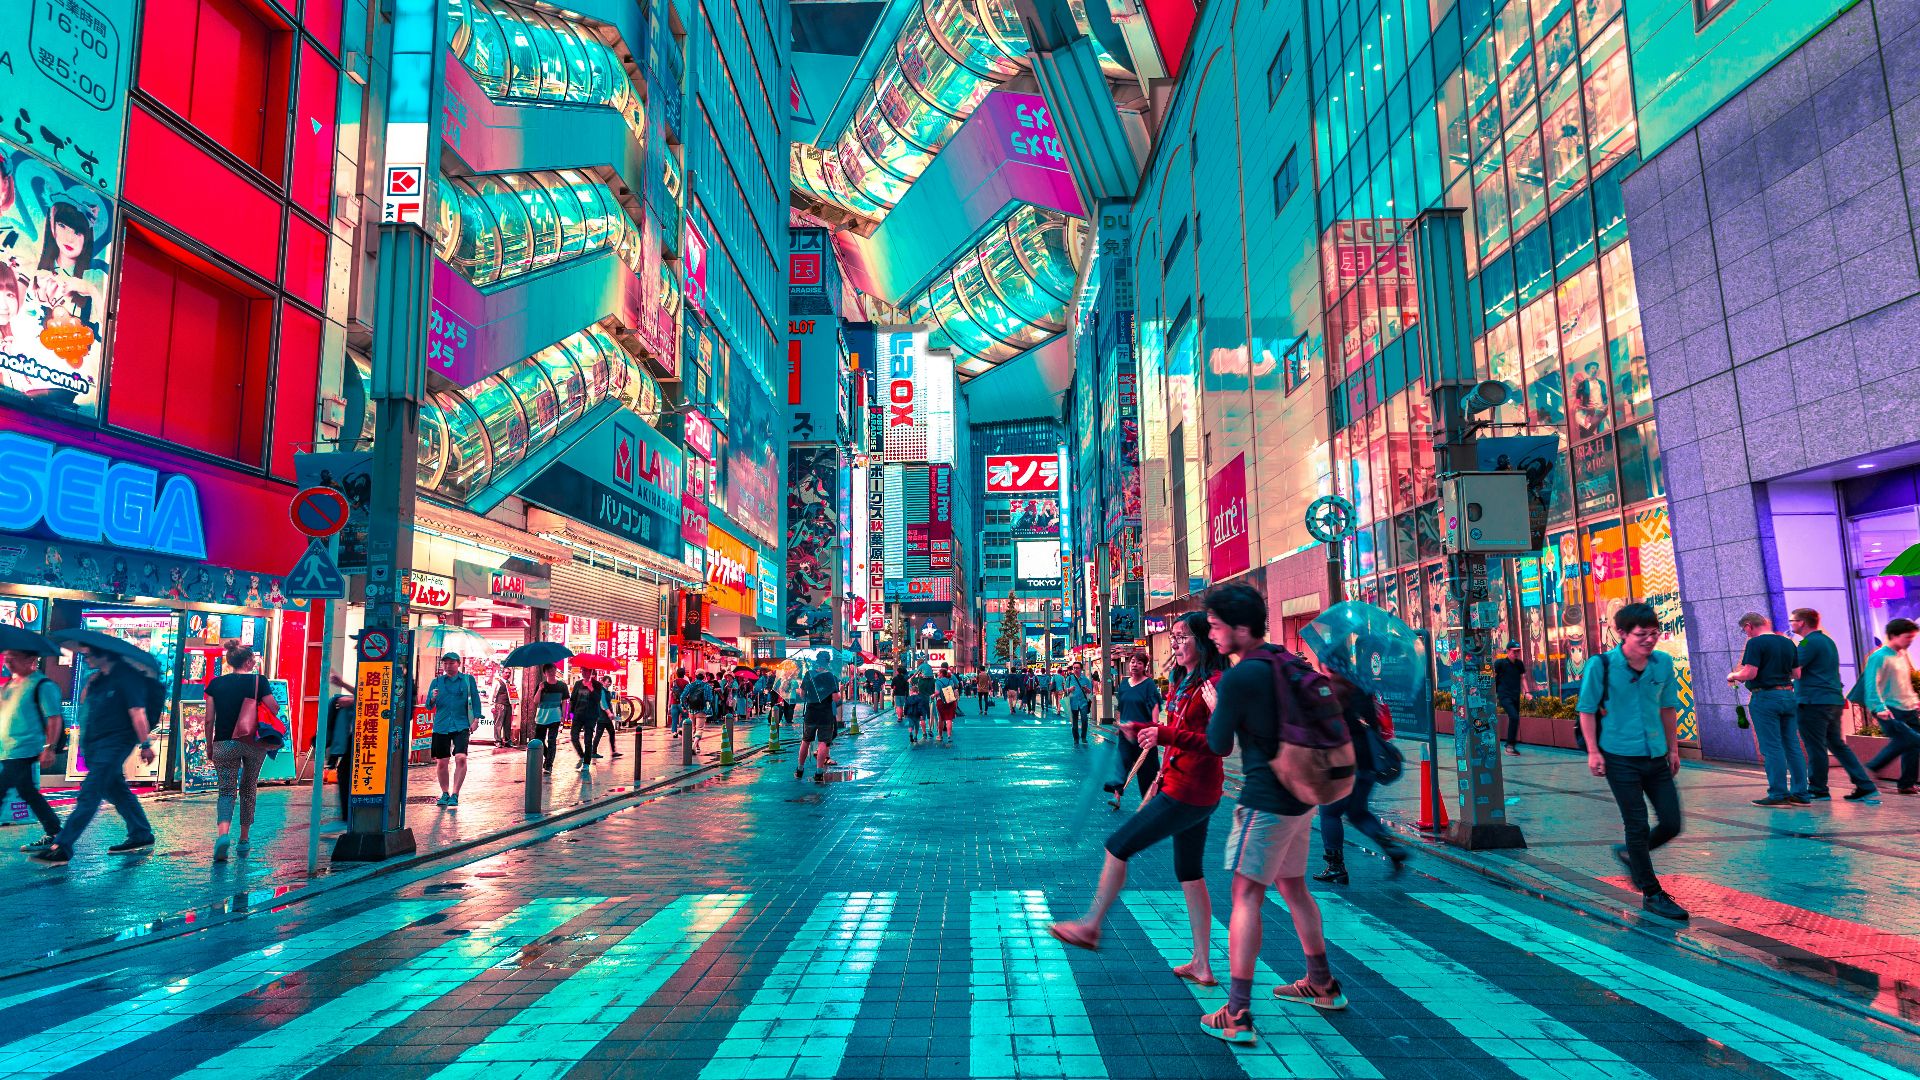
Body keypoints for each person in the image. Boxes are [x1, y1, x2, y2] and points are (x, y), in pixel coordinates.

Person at [1200, 584, 1346, 1042]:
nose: (1213, 636)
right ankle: (1321, 983)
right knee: (1294, 886)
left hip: (1266, 800)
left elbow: (1219, 745)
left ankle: (1239, 1013)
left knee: (1245, 897)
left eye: (1218, 627)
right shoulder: (1284, 660)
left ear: (1241, 628)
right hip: (1302, 794)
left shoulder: (1241, 677)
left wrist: (1215, 708)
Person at [1048, 612, 1228, 979]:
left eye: (1182, 638)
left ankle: (1092, 925)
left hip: (1189, 789)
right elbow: (1178, 728)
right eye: (1174, 637)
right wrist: (1146, 728)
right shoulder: (1184, 679)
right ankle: (1202, 964)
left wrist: (1164, 737)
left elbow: (1218, 744)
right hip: (1189, 785)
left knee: (1118, 845)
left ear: (1203, 642)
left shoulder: (1214, 683)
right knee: (1189, 872)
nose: (1175, 644)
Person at [1578, 603, 1690, 921]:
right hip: (1619, 756)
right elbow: (1586, 710)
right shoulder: (1601, 666)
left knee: (1672, 822)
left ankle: (1631, 855)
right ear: (1622, 633)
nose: (1650, 640)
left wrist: (1673, 749)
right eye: (1642, 634)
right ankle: (1652, 893)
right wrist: (1593, 752)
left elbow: (1668, 708)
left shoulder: (1663, 664)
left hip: (1655, 755)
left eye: (1654, 634)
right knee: (1637, 823)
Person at [32, 647, 159, 865]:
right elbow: (85, 705)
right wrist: (91, 684)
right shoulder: (97, 679)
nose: (85, 657)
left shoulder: (128, 678)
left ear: (105, 654)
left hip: (116, 743)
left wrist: (145, 744)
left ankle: (63, 846)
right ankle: (141, 833)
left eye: (89, 654)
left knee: (89, 792)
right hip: (95, 745)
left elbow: (137, 713)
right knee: (116, 789)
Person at [1309, 664, 1409, 883]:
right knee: (1357, 812)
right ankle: (1389, 845)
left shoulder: (1331, 689)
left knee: (1329, 812)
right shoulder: (1364, 689)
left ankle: (1336, 866)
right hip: (1367, 760)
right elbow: (1374, 725)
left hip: (1342, 761)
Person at [1792, 608, 1877, 801]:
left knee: (1815, 746)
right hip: (1832, 699)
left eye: (1793, 620)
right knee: (1836, 744)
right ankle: (1865, 784)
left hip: (1813, 701)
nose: (1791, 624)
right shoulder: (1827, 641)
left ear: (1802, 623)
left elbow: (1794, 667)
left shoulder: (1807, 642)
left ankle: (1818, 788)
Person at [203, 641, 275, 861]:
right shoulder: (258, 681)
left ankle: (223, 835)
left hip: (224, 742)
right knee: (248, 787)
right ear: (248, 661)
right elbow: (273, 707)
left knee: (226, 790)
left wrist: (209, 745)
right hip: (253, 741)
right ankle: (244, 840)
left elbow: (208, 720)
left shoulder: (215, 684)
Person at [1729, 612, 1809, 806]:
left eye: (1744, 630)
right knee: (1792, 745)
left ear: (1749, 626)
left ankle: (1779, 794)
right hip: (1788, 696)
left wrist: (1734, 675)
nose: (1746, 634)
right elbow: (1797, 674)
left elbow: (1750, 672)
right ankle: (1801, 794)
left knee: (1772, 746)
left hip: (1765, 697)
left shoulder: (1755, 643)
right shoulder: (1787, 642)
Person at [1, 647, 65, 851]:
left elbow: (54, 718)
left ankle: (56, 832)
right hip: (6, 749)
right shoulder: (9, 685)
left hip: (24, 749)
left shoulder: (43, 685)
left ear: (31, 659)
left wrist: (49, 747)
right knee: (27, 791)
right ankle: (55, 832)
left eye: (14, 657)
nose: (8, 661)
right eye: (7, 657)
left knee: (3, 790)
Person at [1863, 619, 1920, 795]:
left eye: (1912, 637)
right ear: (1894, 635)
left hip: (1908, 707)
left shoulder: (1901, 655)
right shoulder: (1878, 657)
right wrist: (1879, 707)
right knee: (1911, 740)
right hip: (1890, 708)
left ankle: (1906, 784)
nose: (1910, 641)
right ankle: (1871, 767)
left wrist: (1915, 701)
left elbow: (1904, 683)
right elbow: (1871, 684)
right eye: (1907, 637)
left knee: (1913, 745)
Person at [425, 654, 482, 805]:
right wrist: (432, 697)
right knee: (442, 762)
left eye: (451, 663)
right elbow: (428, 705)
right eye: (445, 663)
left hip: (461, 724)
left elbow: (475, 700)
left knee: (461, 758)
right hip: (441, 726)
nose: (448, 666)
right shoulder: (436, 682)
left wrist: (476, 719)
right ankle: (445, 793)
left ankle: (455, 794)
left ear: (458, 664)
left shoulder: (467, 680)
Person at [1109, 654, 1162, 801]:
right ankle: (1117, 797)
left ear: (1144, 666)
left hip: (1144, 734)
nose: (1135, 665)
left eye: (1139, 663)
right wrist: (1119, 723)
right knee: (1122, 764)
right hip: (1126, 734)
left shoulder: (1149, 684)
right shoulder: (1124, 684)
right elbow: (1120, 706)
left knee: (1147, 770)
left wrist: (1154, 727)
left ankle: (1149, 801)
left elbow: (1155, 706)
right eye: (1133, 662)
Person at [797, 665, 838, 781]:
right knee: (823, 742)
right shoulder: (830, 676)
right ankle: (819, 772)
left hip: (811, 713)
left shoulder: (809, 675)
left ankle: (800, 769)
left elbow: (802, 694)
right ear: (828, 663)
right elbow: (836, 698)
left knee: (805, 740)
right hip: (825, 714)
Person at [532, 664, 567, 773]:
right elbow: (536, 701)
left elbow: (564, 701)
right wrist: (540, 690)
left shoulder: (562, 685)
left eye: (553, 670)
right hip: (541, 717)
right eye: (548, 671)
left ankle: (548, 765)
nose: (551, 672)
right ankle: (548, 758)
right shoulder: (541, 685)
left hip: (555, 717)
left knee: (552, 741)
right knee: (539, 740)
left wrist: (563, 716)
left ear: (556, 671)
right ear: (544, 673)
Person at [1493, 643, 1528, 754]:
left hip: (1515, 695)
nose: (1516, 653)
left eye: (1518, 651)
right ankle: (1510, 745)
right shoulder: (1500, 663)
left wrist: (1527, 692)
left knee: (1515, 718)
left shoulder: (1519, 664)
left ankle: (1510, 744)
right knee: (1514, 716)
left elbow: (1522, 678)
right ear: (1508, 651)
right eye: (1514, 651)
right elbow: (1492, 676)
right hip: (1504, 695)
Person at [569, 669, 606, 767]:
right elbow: (573, 699)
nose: (585, 673)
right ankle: (582, 756)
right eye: (583, 671)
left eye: (587, 671)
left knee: (588, 739)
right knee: (573, 736)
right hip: (578, 714)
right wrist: (571, 714)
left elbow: (598, 699)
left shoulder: (597, 685)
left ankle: (586, 763)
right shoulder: (578, 684)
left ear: (591, 673)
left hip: (591, 716)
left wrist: (591, 688)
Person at [1066, 662, 1095, 745]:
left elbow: (1090, 691)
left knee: (1084, 719)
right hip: (1073, 703)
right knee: (1074, 722)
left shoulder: (1086, 679)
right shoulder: (1069, 678)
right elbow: (1065, 690)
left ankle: (1083, 737)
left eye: (1077, 668)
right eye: (1074, 668)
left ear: (1081, 669)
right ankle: (1075, 738)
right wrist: (1069, 689)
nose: (1075, 669)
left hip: (1083, 703)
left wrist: (1086, 689)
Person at [934, 663, 958, 745]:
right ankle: (949, 736)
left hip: (941, 701)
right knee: (949, 719)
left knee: (941, 719)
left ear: (941, 674)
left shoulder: (938, 682)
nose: (938, 674)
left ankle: (940, 736)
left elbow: (937, 692)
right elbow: (955, 687)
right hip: (950, 701)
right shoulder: (951, 681)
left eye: (939, 673)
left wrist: (933, 695)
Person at [492, 679, 515, 749]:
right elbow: (493, 693)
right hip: (500, 704)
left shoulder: (510, 683)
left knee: (507, 724)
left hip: (508, 705)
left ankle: (507, 740)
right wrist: (492, 705)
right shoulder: (498, 682)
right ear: (503, 673)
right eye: (506, 672)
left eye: (509, 673)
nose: (508, 674)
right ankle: (498, 741)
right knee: (498, 723)